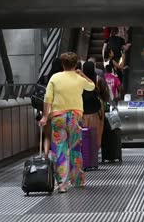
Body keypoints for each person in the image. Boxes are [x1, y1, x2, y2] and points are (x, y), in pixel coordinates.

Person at [38, 52, 95, 193]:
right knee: (75, 147)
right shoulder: (78, 78)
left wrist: (45, 117)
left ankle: (62, 185)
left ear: (62, 64)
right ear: (76, 64)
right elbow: (92, 86)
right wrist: (82, 75)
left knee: (59, 149)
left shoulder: (55, 78)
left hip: (58, 117)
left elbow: (47, 98)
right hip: (75, 117)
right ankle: (77, 180)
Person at [42, 58, 63, 157]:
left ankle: (46, 155)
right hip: (59, 111)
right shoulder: (62, 79)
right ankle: (57, 157)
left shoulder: (47, 78)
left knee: (47, 136)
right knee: (59, 137)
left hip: (47, 110)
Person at [82, 62, 105, 150]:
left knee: (84, 130)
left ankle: (85, 151)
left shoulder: (79, 79)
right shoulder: (98, 79)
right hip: (96, 108)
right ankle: (95, 150)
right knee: (97, 130)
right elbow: (104, 93)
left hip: (82, 107)